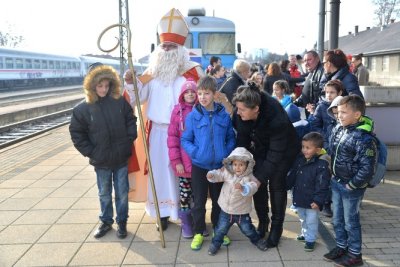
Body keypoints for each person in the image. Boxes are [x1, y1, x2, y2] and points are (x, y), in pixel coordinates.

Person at [133, 8, 204, 231]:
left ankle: (186, 213)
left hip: (185, 133)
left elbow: (205, 98)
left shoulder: (192, 72)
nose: (167, 49)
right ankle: (161, 213)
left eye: (172, 46)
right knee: (160, 172)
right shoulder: (151, 71)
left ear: (181, 49)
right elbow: (138, 97)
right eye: (164, 46)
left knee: (183, 173)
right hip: (158, 132)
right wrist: (131, 82)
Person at [69, 63, 137, 239]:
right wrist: (92, 152)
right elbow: (77, 134)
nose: (104, 89)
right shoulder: (82, 109)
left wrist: (129, 139)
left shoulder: (119, 101)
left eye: (107, 85)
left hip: (121, 157)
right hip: (101, 160)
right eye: (100, 86)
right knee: (104, 193)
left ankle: (122, 221)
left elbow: (130, 120)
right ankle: (106, 221)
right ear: (92, 86)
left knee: (122, 193)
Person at [232, 82, 301, 247]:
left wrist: (259, 178)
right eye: (237, 108)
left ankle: (276, 228)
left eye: (242, 110)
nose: (238, 112)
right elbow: (242, 138)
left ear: (256, 109)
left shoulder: (276, 117)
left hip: (284, 150)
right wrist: (239, 161)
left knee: (276, 183)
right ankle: (263, 222)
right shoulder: (241, 112)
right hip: (260, 146)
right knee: (257, 183)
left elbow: (275, 155)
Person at [181, 76, 236, 251]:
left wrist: (225, 154)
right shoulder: (193, 116)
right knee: (198, 201)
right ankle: (198, 232)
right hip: (200, 166)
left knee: (219, 202)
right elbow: (185, 139)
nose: (202, 97)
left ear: (214, 94)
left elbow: (230, 137)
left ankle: (218, 231)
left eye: (206, 93)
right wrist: (196, 153)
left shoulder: (223, 115)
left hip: (219, 167)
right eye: (200, 93)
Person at [324, 95, 376, 266]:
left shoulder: (364, 138)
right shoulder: (340, 129)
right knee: (337, 219)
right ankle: (341, 246)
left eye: (344, 112)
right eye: (338, 112)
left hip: (351, 187)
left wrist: (352, 184)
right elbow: (333, 151)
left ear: (357, 115)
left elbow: (367, 168)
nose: (339, 115)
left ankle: (355, 253)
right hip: (337, 182)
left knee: (350, 222)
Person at [206, 147, 268, 255]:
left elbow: (253, 187)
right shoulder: (227, 172)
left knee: (248, 229)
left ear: (247, 165)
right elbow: (218, 174)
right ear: (231, 164)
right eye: (235, 164)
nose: (237, 167)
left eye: (241, 165)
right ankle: (215, 244)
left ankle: (257, 240)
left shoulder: (249, 177)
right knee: (220, 230)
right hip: (226, 211)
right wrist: (212, 175)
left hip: (241, 213)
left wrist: (244, 188)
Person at [286, 132, 331, 252]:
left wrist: (318, 200)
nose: (304, 150)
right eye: (303, 147)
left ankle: (310, 239)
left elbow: (323, 185)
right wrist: (286, 185)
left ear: (317, 150)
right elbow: (293, 175)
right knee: (302, 218)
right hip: (300, 198)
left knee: (311, 221)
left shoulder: (321, 165)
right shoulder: (300, 160)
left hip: (312, 201)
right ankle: (305, 234)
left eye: (308, 148)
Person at [167, 79, 198, 238]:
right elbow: (172, 139)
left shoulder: (201, 109)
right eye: (186, 92)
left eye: (193, 91)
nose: (190, 94)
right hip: (183, 165)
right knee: (185, 195)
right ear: (182, 94)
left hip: (199, 163)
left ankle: (197, 221)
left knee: (198, 196)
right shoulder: (177, 111)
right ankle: (186, 224)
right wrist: (176, 161)